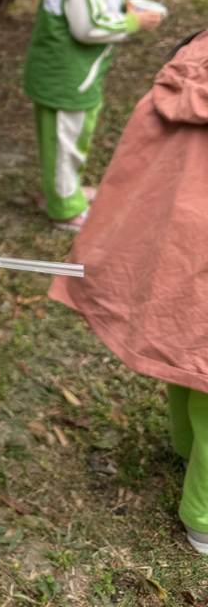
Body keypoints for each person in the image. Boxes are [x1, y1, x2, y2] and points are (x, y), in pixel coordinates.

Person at [48, 29, 208, 554]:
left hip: (180, 249)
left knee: (186, 350)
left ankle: (185, 446)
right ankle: (204, 518)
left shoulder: (194, 57)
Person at [23, 0, 164, 232]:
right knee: (65, 144)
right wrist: (133, 22)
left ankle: (63, 191)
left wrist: (121, 7)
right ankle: (64, 209)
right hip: (67, 81)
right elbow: (88, 27)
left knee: (67, 142)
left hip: (71, 79)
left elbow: (92, 8)